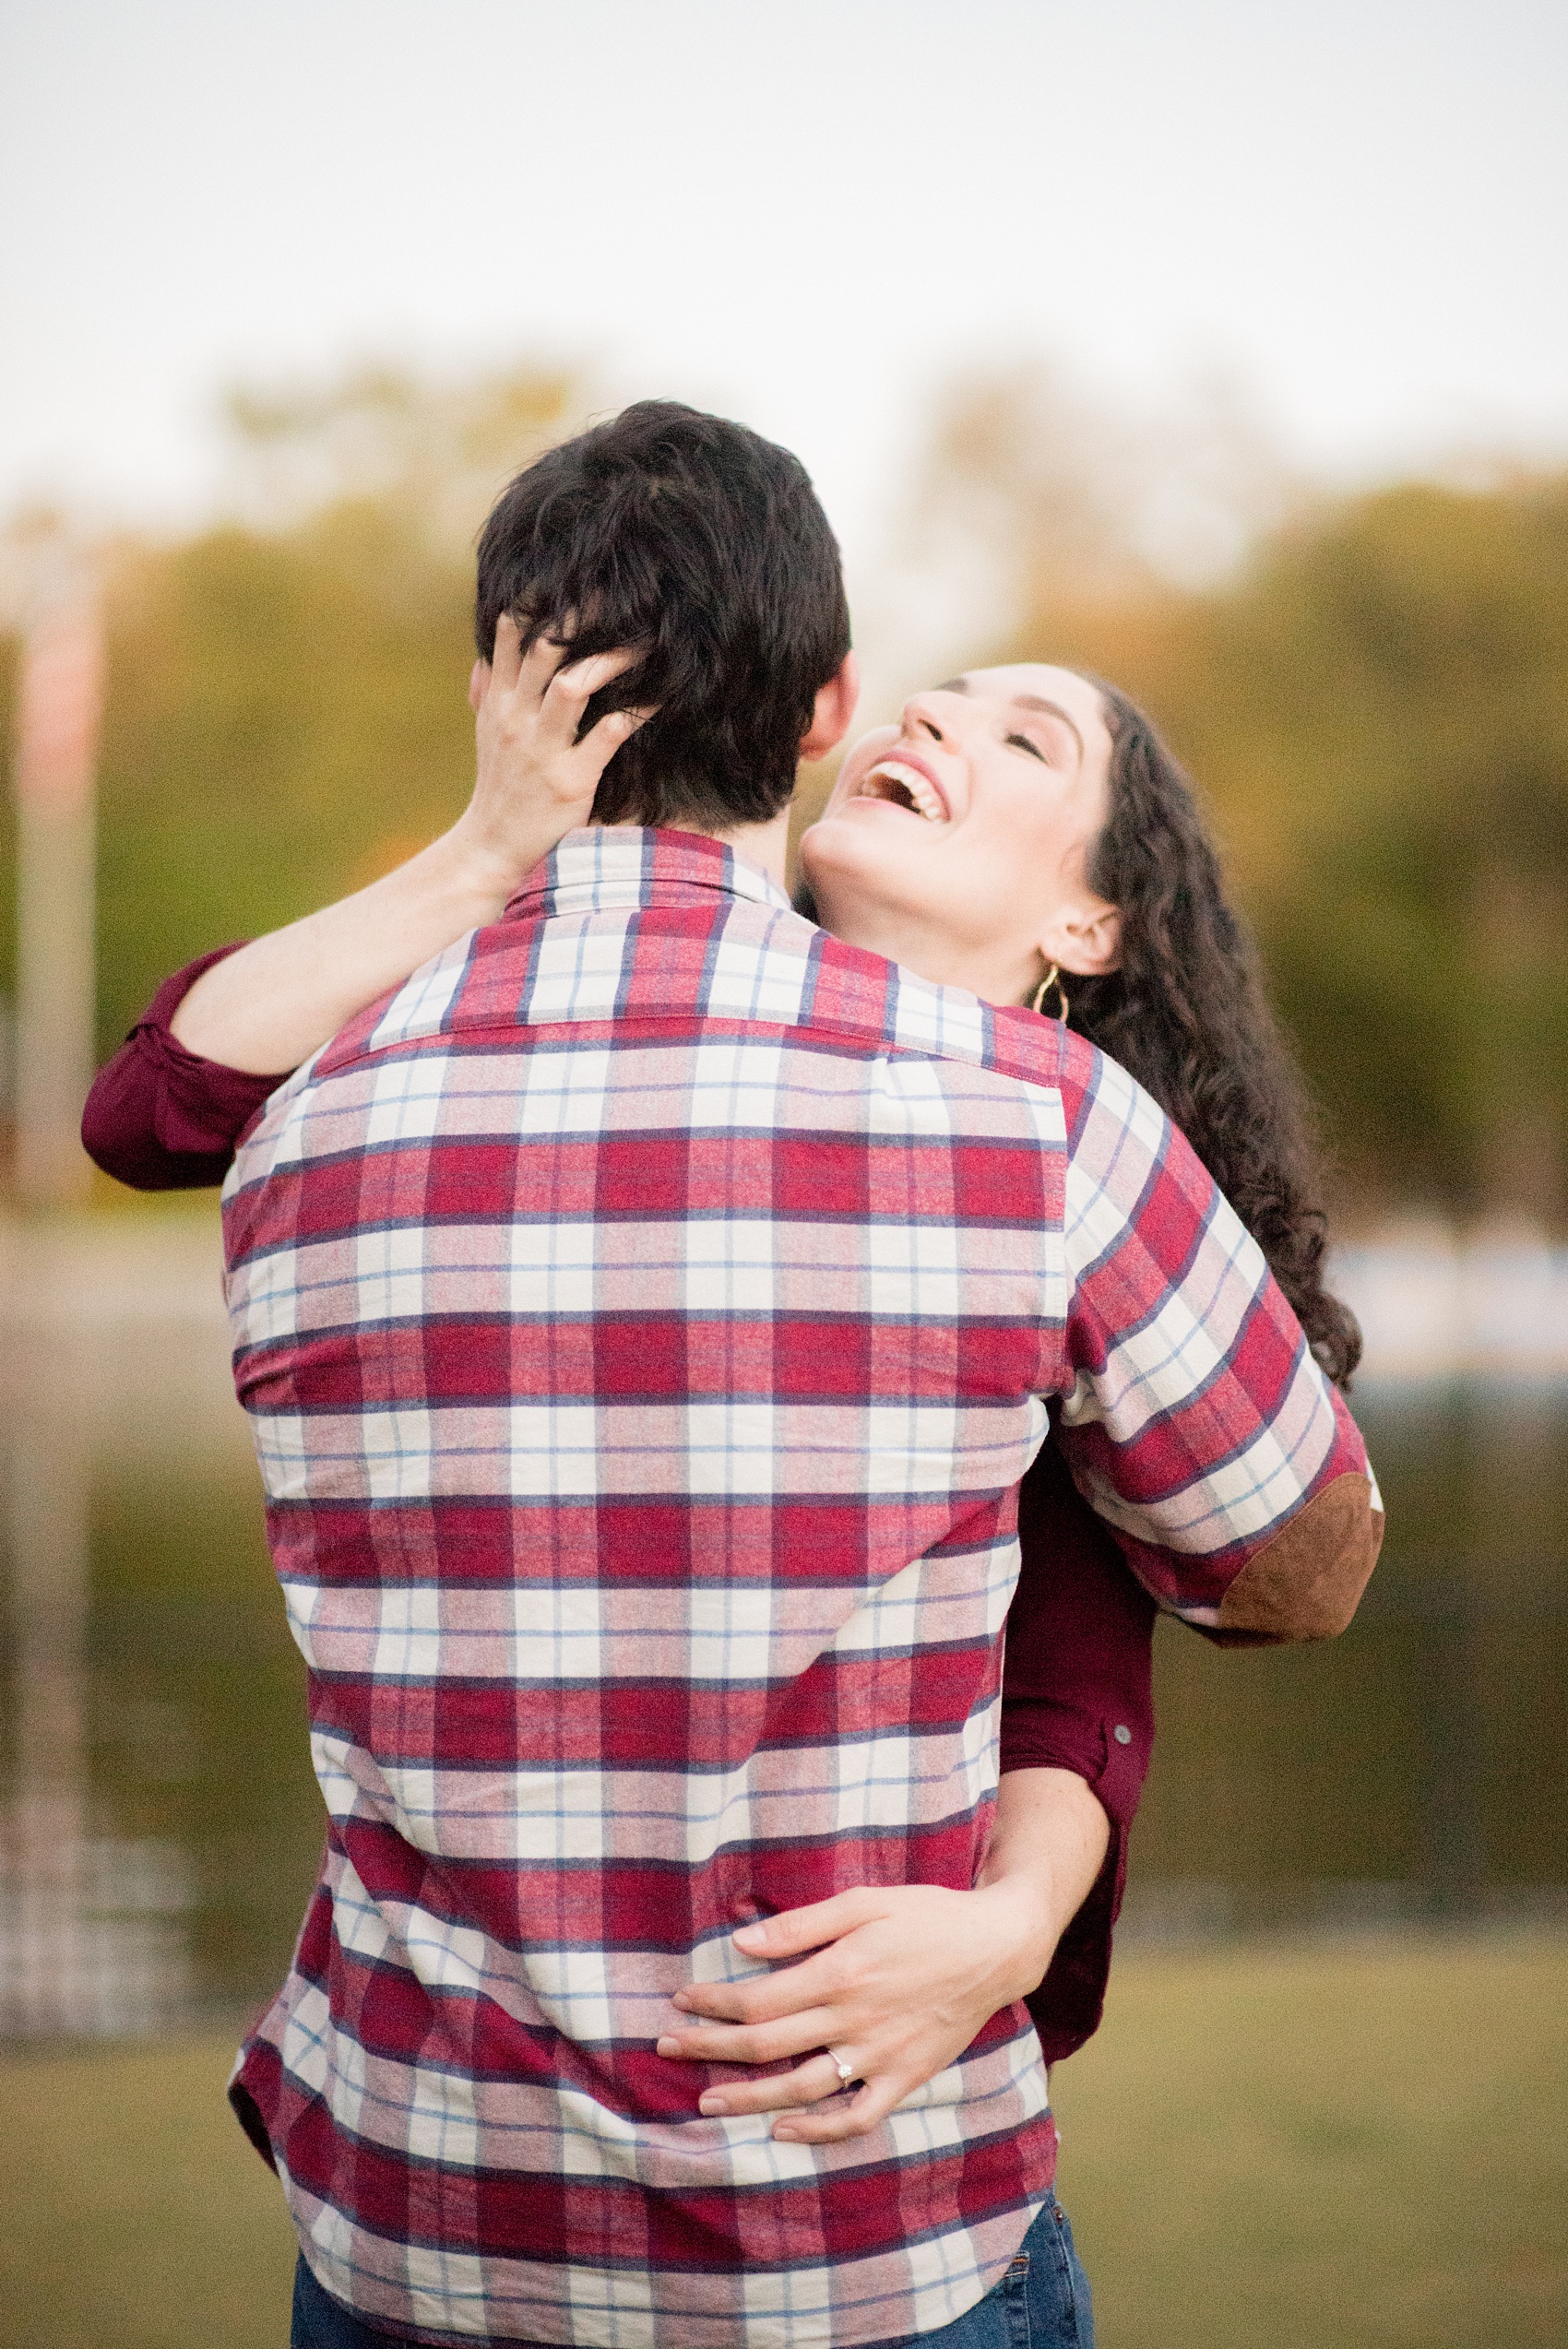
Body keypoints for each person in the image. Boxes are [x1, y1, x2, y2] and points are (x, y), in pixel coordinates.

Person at [83, 401, 1380, 2349]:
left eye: (1022, 736)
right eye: (925, 706)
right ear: (822, 708)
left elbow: (155, 1097)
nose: (936, 734)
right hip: (840, 2231)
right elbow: (1299, 1566)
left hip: (420, 2211)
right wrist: (484, 847)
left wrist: (1019, 1907)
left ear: (1090, 919)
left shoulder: (314, 1110)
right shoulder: (1043, 1135)